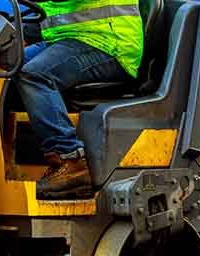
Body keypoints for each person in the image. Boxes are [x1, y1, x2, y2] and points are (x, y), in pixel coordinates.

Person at [16, 0, 144, 199]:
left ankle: (70, 161)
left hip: (109, 43)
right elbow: (52, 10)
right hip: (67, 39)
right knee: (5, 66)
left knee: (35, 75)